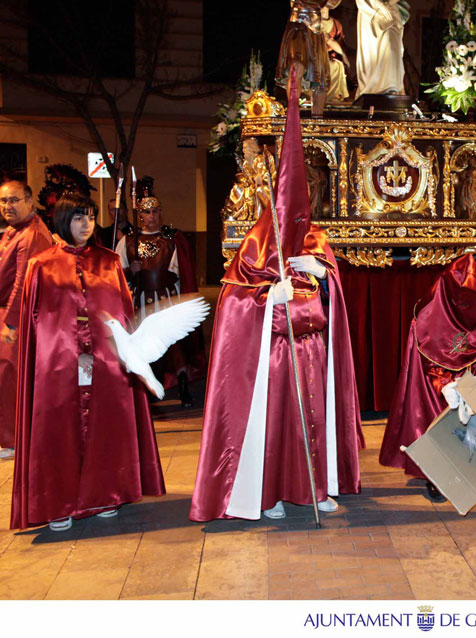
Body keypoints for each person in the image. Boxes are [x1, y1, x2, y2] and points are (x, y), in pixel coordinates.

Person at [190, 83, 363, 522]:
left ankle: (316, 487)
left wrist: (325, 276)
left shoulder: (317, 239)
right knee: (276, 426)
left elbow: (337, 300)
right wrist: (268, 297)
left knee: (314, 423)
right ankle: (270, 493)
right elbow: (232, 303)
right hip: (273, 356)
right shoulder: (255, 242)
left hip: (313, 352)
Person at [10, 194, 165, 531]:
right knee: (57, 432)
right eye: (79, 218)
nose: (86, 225)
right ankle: (57, 502)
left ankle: (106, 494)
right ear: (63, 220)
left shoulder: (108, 262)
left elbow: (122, 314)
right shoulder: (41, 265)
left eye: (91, 218)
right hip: (58, 365)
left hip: (106, 363)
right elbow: (37, 321)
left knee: (106, 427)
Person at [379, 253, 476, 502]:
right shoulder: (433, 309)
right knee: (435, 417)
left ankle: (471, 466)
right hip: (435, 376)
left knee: (474, 418)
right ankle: (434, 473)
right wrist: (446, 386)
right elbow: (431, 351)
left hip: (472, 369)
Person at [116, 177, 204, 406]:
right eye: (147, 212)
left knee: (175, 346)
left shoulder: (171, 239)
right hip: (141, 301)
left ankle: (183, 384)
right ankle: (147, 390)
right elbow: (115, 273)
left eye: (156, 211)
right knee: (143, 346)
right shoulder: (128, 241)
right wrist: (129, 270)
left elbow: (180, 270)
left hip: (166, 300)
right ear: (140, 215)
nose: (152, 217)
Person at [0, 180, 54, 459]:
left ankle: (11, 439)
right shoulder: (14, 230)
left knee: (10, 376)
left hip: (20, 316)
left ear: (30, 202)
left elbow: (22, 282)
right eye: (3, 201)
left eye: (14, 200)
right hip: (10, 313)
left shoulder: (31, 234)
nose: (8, 206)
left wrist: (10, 322)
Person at [275, 0, 341, 118]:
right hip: (298, 26)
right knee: (296, 68)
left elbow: (332, 4)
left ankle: (317, 119)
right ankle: (293, 116)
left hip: (316, 30)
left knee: (321, 79)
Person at [355, 0, 408, 99]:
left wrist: (388, 4)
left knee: (391, 46)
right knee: (375, 52)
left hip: (390, 13)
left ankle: (391, 85)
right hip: (371, 9)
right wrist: (380, 5)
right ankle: (378, 87)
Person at [321, 4, 350, 103]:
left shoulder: (336, 24)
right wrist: (343, 55)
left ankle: (334, 96)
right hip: (316, 55)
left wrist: (343, 55)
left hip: (330, 56)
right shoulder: (315, 22)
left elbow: (340, 41)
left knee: (337, 65)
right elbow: (328, 40)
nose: (323, 8)